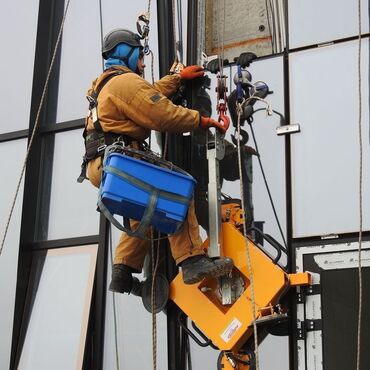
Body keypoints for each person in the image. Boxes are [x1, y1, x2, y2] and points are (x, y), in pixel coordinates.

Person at [82, 28, 233, 294]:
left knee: (147, 209)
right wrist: (202, 120)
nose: (142, 63)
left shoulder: (105, 83)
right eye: (140, 56)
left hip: (103, 165)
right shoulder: (124, 83)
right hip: (120, 158)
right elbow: (162, 114)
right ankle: (192, 261)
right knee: (177, 189)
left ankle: (123, 272)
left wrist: (176, 78)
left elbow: (147, 94)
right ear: (126, 53)